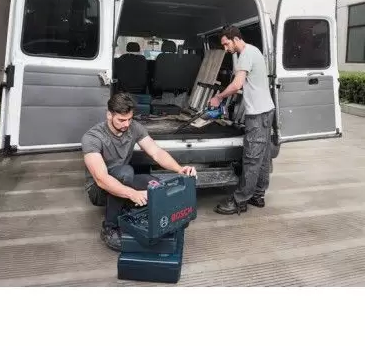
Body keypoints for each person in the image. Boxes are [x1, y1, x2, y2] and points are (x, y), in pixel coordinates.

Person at [82, 92, 197, 251]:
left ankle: (137, 213)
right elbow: (101, 179)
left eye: (129, 119)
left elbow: (156, 152)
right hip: (98, 190)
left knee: (153, 183)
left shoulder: (134, 127)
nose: (126, 124)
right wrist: (132, 194)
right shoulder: (93, 137)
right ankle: (109, 227)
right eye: (121, 120)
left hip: (122, 180)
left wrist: (179, 169)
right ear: (109, 115)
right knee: (125, 173)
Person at [209, 26, 275, 215]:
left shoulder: (245, 54)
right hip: (266, 111)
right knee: (262, 157)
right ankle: (258, 195)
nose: (225, 48)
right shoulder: (254, 51)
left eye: (226, 44)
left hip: (258, 115)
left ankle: (240, 200)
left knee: (252, 158)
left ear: (236, 39)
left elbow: (237, 84)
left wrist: (218, 97)